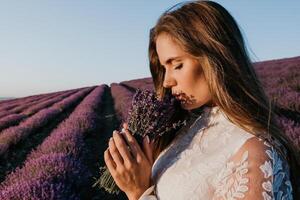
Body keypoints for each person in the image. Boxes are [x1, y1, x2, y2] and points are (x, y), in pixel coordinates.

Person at [103, 1, 300, 199]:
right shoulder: (187, 128)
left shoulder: (255, 154)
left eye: (177, 65)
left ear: (215, 57)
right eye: (164, 68)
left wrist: (139, 193)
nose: (167, 81)